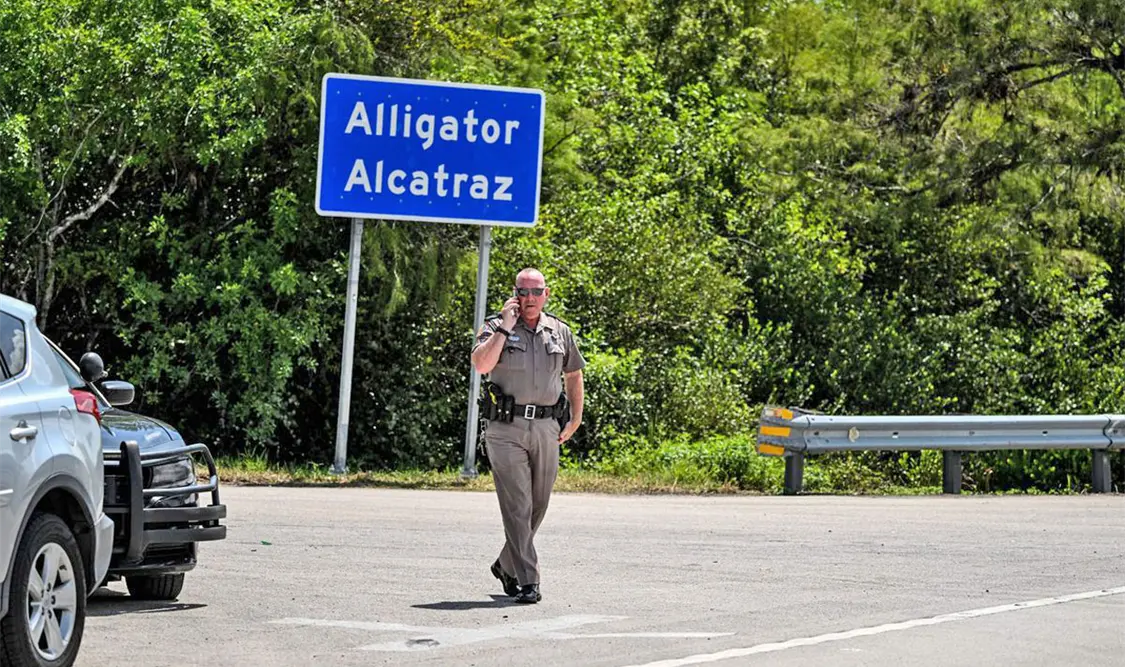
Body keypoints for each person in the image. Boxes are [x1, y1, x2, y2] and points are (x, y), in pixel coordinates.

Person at [471, 268, 585, 604]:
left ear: (546, 294)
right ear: (515, 293)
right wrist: (506, 326)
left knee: (539, 504)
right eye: (524, 292)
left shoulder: (559, 330)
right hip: (506, 428)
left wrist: (575, 418)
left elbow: (574, 374)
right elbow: (480, 364)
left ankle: (506, 564)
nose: (530, 299)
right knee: (518, 505)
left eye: (537, 292)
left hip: (547, 427)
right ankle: (528, 580)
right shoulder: (495, 326)